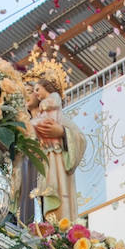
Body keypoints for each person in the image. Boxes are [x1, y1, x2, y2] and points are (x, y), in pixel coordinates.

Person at [27, 76, 87, 225]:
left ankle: (57, 230)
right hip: (32, 176)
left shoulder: (56, 116)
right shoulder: (26, 124)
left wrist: (61, 132)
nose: (25, 96)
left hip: (55, 171)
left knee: (56, 215)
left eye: (29, 91)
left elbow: (81, 139)